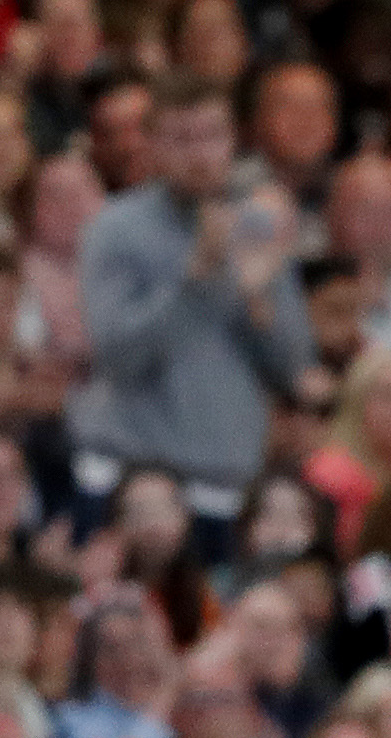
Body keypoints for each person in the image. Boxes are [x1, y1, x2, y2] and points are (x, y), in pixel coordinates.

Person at [75, 75, 310, 539]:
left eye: (213, 136)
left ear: (234, 142)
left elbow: (292, 366)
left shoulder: (258, 225)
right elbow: (118, 357)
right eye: (182, 139)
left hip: (229, 479)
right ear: (153, 145)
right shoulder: (115, 228)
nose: (200, 154)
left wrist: (257, 296)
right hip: (136, 478)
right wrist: (195, 278)